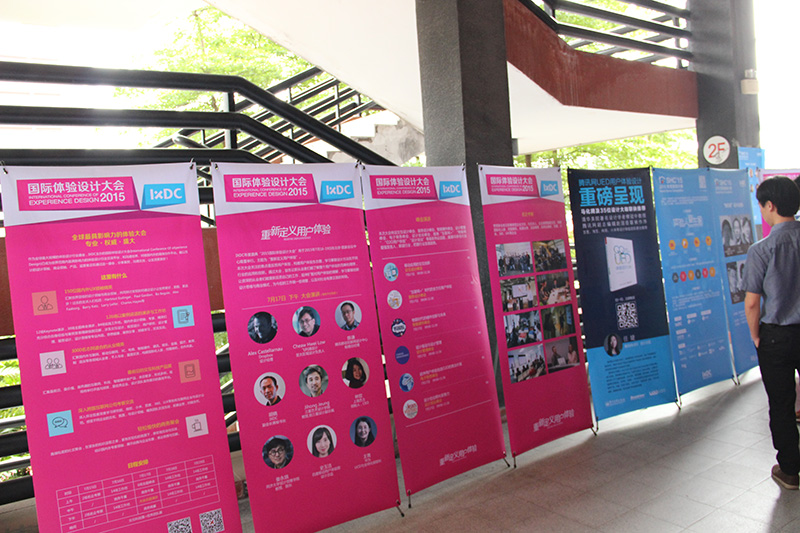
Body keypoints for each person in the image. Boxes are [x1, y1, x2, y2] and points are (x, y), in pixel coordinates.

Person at [742, 176, 800, 490]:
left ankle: (790, 470)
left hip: (776, 336)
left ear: (770, 206)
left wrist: (756, 336)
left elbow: (752, 302)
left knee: (781, 404)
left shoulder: (761, 249)